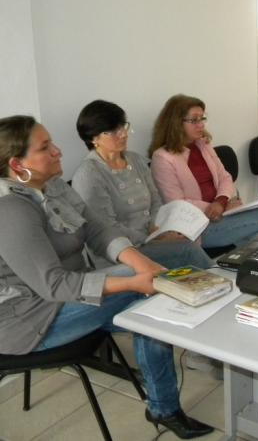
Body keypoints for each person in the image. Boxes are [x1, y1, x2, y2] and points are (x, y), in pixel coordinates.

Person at [0, 115, 213, 439]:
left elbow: (96, 229)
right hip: (30, 318)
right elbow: (54, 285)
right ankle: (166, 406)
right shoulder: (10, 211)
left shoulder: (51, 185)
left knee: (158, 283)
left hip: (68, 294)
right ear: (17, 164)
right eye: (45, 147)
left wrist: (142, 264)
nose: (58, 151)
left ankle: (168, 399)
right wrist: (133, 280)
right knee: (147, 293)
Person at [72, 100, 213, 271]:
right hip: (123, 252)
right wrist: (152, 237)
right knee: (187, 249)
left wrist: (160, 229)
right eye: (112, 131)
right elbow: (106, 229)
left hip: (152, 237)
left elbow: (156, 200)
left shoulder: (135, 160)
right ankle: (223, 288)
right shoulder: (89, 174)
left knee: (187, 242)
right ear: (94, 138)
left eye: (123, 126)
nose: (123, 134)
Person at [149, 94, 258, 249]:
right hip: (197, 227)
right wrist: (215, 207)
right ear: (175, 123)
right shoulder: (162, 158)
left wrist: (221, 201)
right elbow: (177, 204)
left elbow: (225, 177)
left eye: (202, 118)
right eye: (194, 120)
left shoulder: (203, 145)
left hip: (222, 213)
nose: (200, 125)